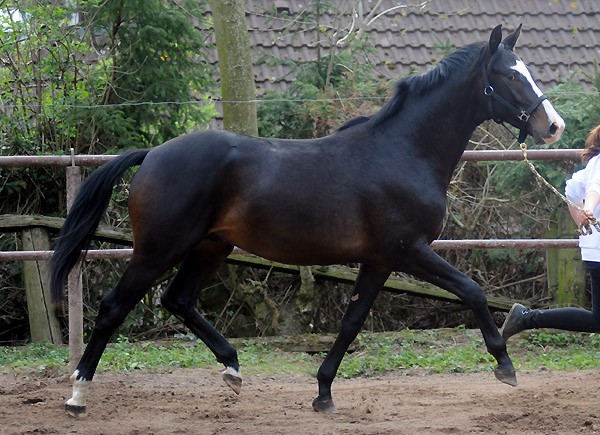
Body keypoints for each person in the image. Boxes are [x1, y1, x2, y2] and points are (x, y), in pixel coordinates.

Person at [500, 125, 600, 341]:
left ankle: (527, 318)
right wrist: (589, 209)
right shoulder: (599, 164)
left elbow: (572, 192)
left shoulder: (591, 166)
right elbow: (595, 188)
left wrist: (584, 224)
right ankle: (527, 318)